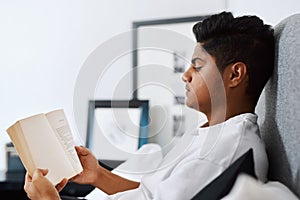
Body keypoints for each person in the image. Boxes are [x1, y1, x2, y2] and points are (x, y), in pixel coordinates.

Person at [24, 11, 275, 200]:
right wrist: (97, 175)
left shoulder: (224, 154)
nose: (185, 75)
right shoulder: (212, 134)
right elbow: (150, 194)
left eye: (197, 66)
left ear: (235, 75)